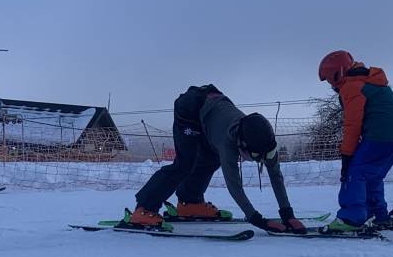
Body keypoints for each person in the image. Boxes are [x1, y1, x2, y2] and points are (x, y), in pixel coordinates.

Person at [124, 84, 302, 231]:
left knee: (210, 159)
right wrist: (257, 220)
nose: (262, 159)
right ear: (242, 145)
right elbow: (235, 187)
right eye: (255, 156)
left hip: (211, 112)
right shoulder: (227, 142)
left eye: (267, 154)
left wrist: (288, 215)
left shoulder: (264, 142)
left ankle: (190, 203)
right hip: (190, 109)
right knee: (184, 163)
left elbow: (276, 175)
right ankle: (143, 209)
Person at [318, 50, 393, 230]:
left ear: (338, 73)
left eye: (329, 79)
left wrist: (347, 155)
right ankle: (378, 215)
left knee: (356, 173)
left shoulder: (352, 86)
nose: (330, 84)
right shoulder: (369, 80)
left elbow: (353, 124)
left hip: (380, 135)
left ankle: (350, 219)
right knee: (372, 175)